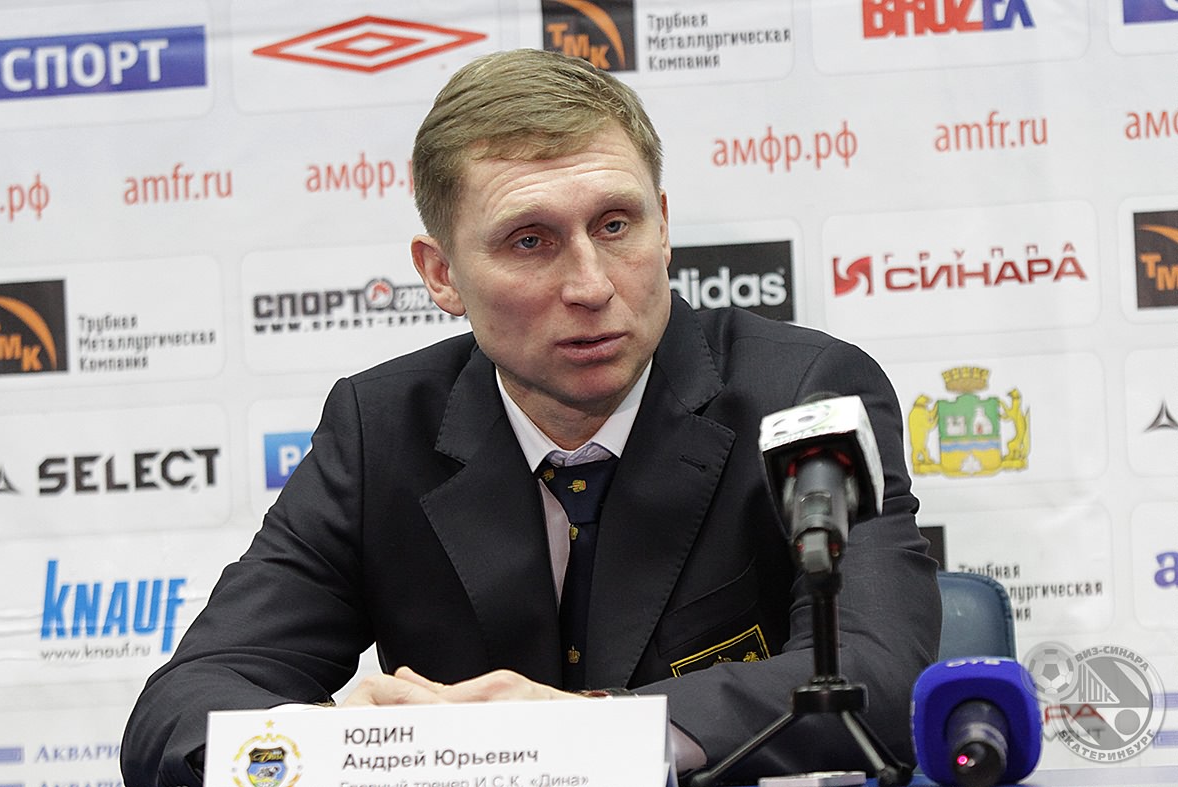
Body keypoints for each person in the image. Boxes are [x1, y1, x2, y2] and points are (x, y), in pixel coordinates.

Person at [120, 47, 940, 785]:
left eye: (615, 225)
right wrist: (339, 746)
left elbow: (879, 677)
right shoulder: (379, 430)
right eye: (529, 241)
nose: (590, 284)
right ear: (441, 274)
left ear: (662, 226)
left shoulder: (800, 396)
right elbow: (179, 711)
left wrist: (581, 732)